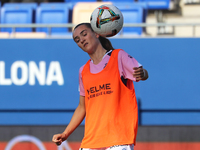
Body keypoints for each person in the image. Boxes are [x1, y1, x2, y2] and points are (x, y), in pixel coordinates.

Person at [52, 23, 149, 150]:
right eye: (77, 40)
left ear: (96, 33)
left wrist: (143, 73)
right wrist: (65, 133)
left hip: (119, 140)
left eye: (84, 34)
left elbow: (143, 74)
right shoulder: (83, 71)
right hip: (91, 142)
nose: (81, 40)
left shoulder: (118, 56)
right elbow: (82, 107)